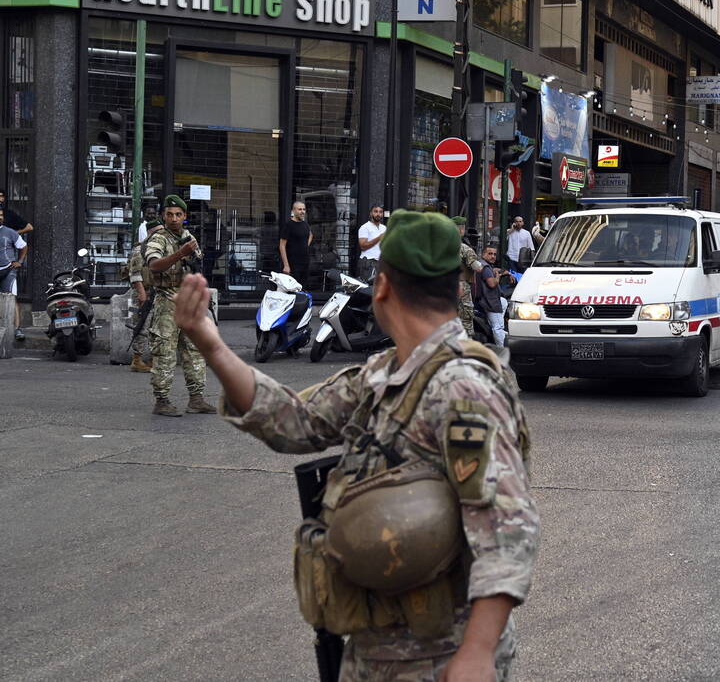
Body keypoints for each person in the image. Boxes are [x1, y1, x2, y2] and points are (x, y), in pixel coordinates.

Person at [171, 209, 539, 680]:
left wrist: (478, 653)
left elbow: (508, 528)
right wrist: (211, 344)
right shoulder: (386, 372)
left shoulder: (463, 386)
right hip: (375, 648)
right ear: (456, 288)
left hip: (441, 657)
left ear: (382, 288)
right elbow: (297, 423)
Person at [144, 195, 215, 417]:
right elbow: (154, 265)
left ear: (184, 216)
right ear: (163, 216)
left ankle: (196, 399)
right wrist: (180, 254)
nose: (174, 219)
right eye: (169, 214)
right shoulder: (158, 239)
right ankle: (162, 401)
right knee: (165, 352)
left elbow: (198, 264)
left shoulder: (188, 236)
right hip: (167, 301)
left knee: (195, 351)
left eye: (178, 214)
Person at [122, 213, 164, 372]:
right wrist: (141, 294)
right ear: (151, 232)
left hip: (157, 293)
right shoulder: (140, 249)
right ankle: (137, 360)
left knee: (157, 328)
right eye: (159, 232)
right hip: (143, 292)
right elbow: (135, 273)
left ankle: (154, 360)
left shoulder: (159, 249)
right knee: (142, 326)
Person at [455, 216, 485, 337]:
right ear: (461, 230)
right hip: (461, 286)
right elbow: (476, 267)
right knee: (466, 317)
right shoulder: (464, 248)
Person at [476, 244, 507, 345]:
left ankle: (497, 325)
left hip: (487, 301)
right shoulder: (485, 268)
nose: (493, 256)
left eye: (494, 254)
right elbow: (492, 284)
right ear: (483, 254)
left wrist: (504, 272)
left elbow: (493, 270)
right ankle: (501, 350)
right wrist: (498, 277)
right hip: (490, 302)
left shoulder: (483, 265)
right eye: (490, 254)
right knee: (498, 328)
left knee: (504, 302)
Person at [279, 200, 313, 286]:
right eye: (300, 209)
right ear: (294, 210)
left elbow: (310, 235)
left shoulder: (305, 224)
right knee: (292, 289)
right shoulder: (289, 225)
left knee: (302, 289)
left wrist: (305, 246)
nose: (302, 211)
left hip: (305, 263)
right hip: (292, 264)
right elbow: (282, 245)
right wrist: (286, 265)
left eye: (304, 209)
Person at [356, 205, 386, 282]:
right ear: (370, 213)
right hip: (368, 263)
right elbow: (363, 246)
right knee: (367, 289)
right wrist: (379, 237)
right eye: (375, 211)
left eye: (380, 212)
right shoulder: (365, 227)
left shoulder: (384, 228)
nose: (378, 214)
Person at [0, 210, 27, 295]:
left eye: (1, 215)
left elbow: (23, 246)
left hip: (8, 270)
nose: (0, 217)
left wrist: (20, 261)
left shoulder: (9, 232)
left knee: (10, 299)